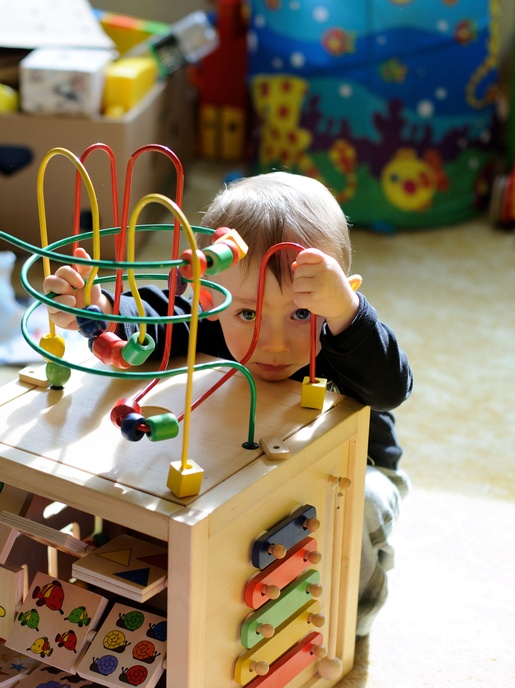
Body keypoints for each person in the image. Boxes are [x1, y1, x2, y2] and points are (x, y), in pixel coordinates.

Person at [43, 171, 413, 636]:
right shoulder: (212, 315)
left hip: (352, 473)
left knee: (362, 503)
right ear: (209, 297)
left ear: (341, 292)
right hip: (253, 473)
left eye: (301, 312)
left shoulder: (342, 333)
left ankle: (359, 608)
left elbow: (391, 390)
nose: (272, 341)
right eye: (248, 313)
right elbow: (152, 323)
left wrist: (347, 315)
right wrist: (97, 310)